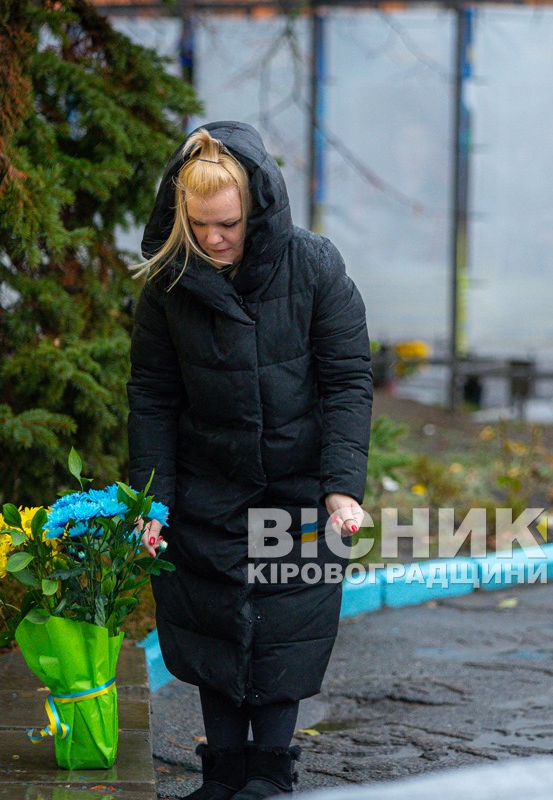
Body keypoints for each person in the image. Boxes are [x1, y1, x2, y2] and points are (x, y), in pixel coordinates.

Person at [128, 121, 372, 799]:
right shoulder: (169, 287)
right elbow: (151, 395)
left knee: (285, 621)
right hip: (208, 484)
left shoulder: (315, 267)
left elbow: (349, 378)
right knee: (209, 617)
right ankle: (224, 770)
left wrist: (341, 488)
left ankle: (269, 770)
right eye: (200, 223)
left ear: (257, 208)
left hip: (298, 485)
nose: (213, 239)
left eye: (228, 224)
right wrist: (151, 499)